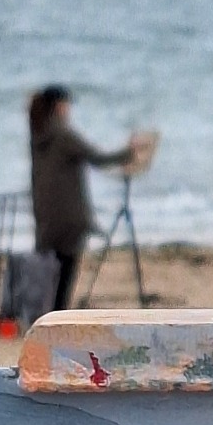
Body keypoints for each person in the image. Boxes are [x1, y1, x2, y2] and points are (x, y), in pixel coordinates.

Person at [27, 87, 149, 312]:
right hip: (69, 215)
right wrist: (129, 151)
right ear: (59, 106)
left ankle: (43, 314)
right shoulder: (63, 135)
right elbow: (98, 158)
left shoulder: (37, 134)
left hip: (45, 214)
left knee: (47, 272)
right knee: (66, 272)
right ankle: (58, 315)